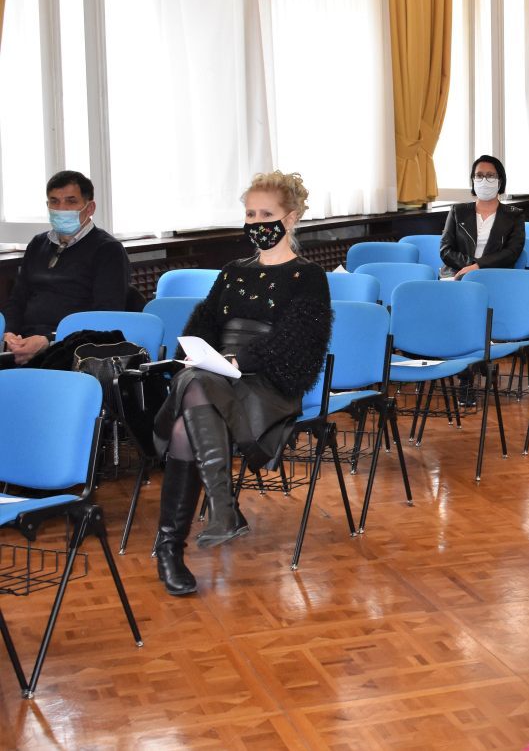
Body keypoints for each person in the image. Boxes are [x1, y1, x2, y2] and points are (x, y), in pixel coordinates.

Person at [151, 171, 332, 596]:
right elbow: (203, 323)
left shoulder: (308, 276)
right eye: (250, 214)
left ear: (291, 218)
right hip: (216, 377)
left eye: (266, 214)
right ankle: (200, 527)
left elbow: (297, 344)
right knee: (195, 385)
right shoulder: (233, 271)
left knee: (186, 411)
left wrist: (238, 361)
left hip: (266, 385)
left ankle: (176, 542)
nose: (256, 223)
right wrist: (202, 354)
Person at [1, 171, 131, 364]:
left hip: (71, 349)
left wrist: (49, 340)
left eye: (71, 201)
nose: (61, 209)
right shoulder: (37, 244)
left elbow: (105, 316)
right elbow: (17, 300)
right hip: (23, 343)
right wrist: (9, 334)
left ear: (90, 208)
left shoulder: (108, 250)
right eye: (54, 202)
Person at [440, 155, 525, 278]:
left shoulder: (514, 215)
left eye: (490, 175)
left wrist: (479, 266)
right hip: (456, 273)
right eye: (479, 175)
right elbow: (446, 250)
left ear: (500, 181)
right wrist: (471, 266)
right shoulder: (457, 211)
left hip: (494, 274)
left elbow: (512, 253)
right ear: (473, 180)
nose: (484, 180)